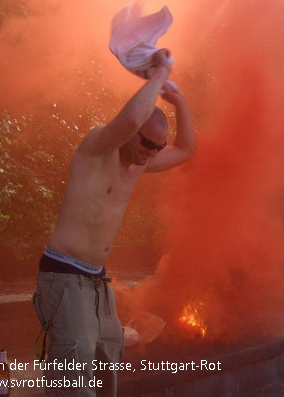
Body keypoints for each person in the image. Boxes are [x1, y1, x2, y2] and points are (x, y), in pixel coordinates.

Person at [32, 49, 196, 396]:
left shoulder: (140, 162)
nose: (152, 152)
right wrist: (159, 75)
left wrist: (179, 102)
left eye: (157, 146)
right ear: (133, 134)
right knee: (72, 385)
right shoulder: (97, 147)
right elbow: (127, 121)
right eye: (148, 143)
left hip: (95, 281)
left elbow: (185, 150)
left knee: (108, 366)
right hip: (64, 276)